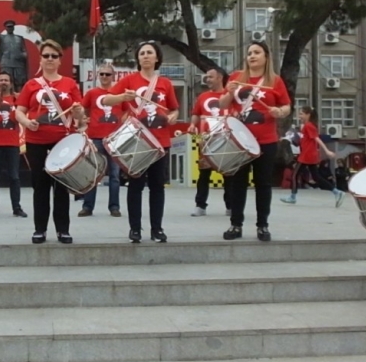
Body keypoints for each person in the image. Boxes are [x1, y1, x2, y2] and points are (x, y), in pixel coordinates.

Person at [103, 41, 180, 243]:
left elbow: (174, 109)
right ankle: (135, 229)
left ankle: (157, 229)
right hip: (136, 142)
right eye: (142, 53)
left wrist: (173, 116)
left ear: (156, 58)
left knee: (157, 187)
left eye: (149, 53)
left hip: (160, 141)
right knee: (135, 186)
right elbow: (105, 101)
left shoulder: (165, 83)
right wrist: (121, 96)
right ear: (138, 58)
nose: (145, 56)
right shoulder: (129, 80)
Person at [218, 41, 291, 242]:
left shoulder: (274, 81)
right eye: (249, 53)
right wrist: (230, 91)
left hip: (266, 140)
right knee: (237, 183)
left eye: (257, 52)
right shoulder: (236, 78)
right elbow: (222, 104)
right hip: (239, 141)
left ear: (266, 57)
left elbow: (286, 107)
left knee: (263, 184)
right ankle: (235, 224)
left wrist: (279, 112)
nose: (252, 56)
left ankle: (262, 225)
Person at [15, 39, 84, 244]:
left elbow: (79, 114)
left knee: (62, 186)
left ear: (60, 60)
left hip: (63, 141)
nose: (50, 59)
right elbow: (19, 111)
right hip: (36, 140)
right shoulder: (31, 85)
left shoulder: (70, 84)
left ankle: (63, 229)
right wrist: (27, 122)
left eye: (54, 56)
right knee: (40, 186)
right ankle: (40, 229)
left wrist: (80, 112)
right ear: (41, 58)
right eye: (46, 55)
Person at [188, 67, 234, 217]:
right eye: (206, 77)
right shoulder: (202, 96)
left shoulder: (229, 96)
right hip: (205, 139)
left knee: (228, 174)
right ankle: (200, 205)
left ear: (220, 77)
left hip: (226, 140)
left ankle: (231, 205)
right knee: (204, 173)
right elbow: (196, 114)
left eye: (210, 77)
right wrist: (193, 125)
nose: (207, 79)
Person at [78, 63, 122, 217]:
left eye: (107, 74)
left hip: (114, 139)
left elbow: (126, 112)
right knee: (93, 173)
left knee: (115, 176)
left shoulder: (119, 94)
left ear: (113, 76)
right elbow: (84, 110)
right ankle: (88, 207)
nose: (104, 77)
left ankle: (114, 207)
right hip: (95, 137)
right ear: (98, 76)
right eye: (102, 74)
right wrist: (84, 122)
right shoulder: (91, 93)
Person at [0, 71, 27, 218]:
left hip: (13, 144)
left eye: (6, 80)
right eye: (1, 80)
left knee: (14, 177)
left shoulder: (17, 99)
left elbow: (22, 117)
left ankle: (17, 207)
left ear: (10, 83)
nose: (3, 82)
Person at [280, 106, 345, 206]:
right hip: (310, 154)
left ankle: (292, 197)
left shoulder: (308, 126)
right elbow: (303, 140)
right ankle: (337, 192)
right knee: (316, 177)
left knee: (294, 175)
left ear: (308, 114)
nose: (299, 116)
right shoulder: (308, 126)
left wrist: (327, 151)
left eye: (301, 113)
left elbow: (316, 139)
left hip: (306, 155)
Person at [0, 14, 28, 92]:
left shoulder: (19, 38)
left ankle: (19, 100)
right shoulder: (2, 38)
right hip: (6, 64)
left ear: (13, 27)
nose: (9, 28)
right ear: (6, 28)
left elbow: (24, 51)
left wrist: (23, 55)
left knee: (19, 83)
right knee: (6, 82)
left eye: (11, 26)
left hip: (18, 64)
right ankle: (6, 98)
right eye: (8, 27)